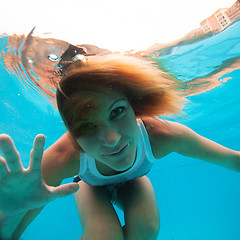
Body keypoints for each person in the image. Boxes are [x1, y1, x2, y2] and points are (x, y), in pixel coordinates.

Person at [0, 54, 239, 240]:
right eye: (87, 126)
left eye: (117, 111)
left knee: (146, 230)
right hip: (88, 183)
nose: (112, 139)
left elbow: (232, 159)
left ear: (134, 107)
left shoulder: (162, 134)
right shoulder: (65, 156)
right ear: (73, 136)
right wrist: (10, 216)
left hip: (133, 182)